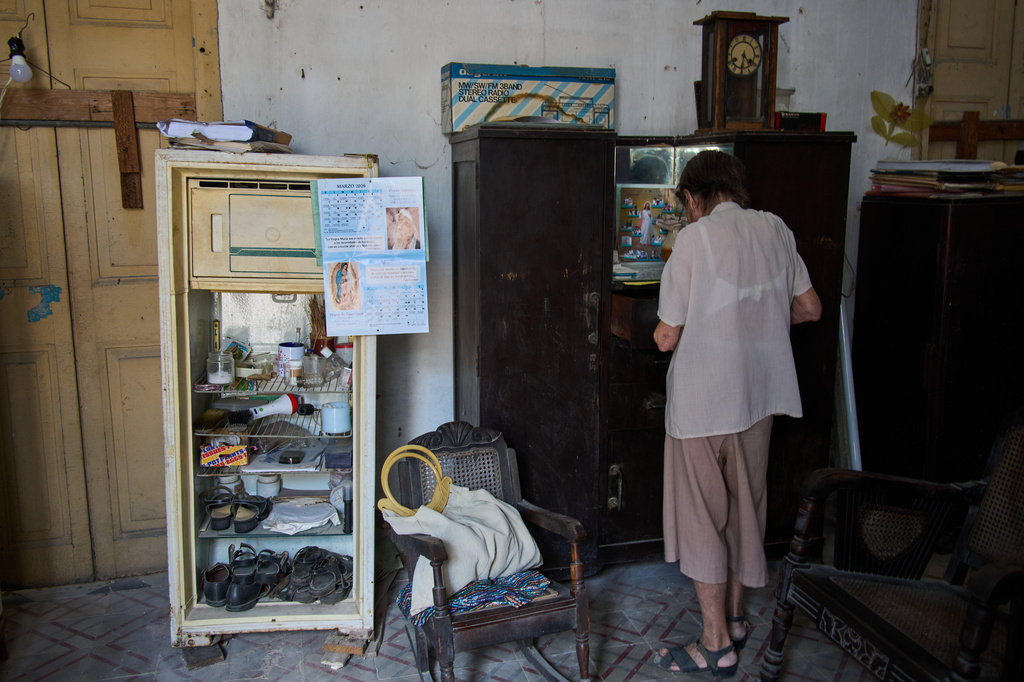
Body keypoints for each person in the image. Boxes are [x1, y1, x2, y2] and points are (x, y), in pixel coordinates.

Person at [653, 151, 821, 676]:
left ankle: (714, 644)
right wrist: (759, 319)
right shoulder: (775, 229)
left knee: (704, 517)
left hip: (704, 403)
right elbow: (810, 307)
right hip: (758, 399)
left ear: (692, 197)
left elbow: (666, 335)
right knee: (745, 508)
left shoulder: (692, 240)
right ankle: (737, 620)